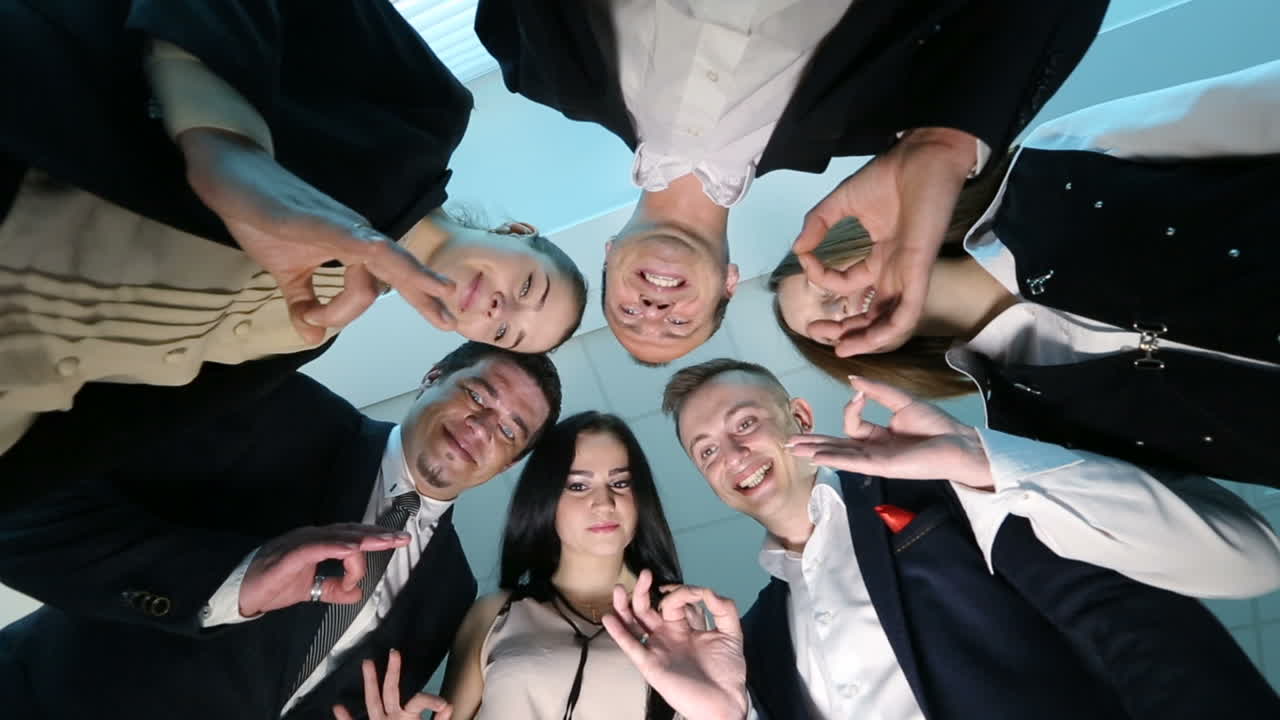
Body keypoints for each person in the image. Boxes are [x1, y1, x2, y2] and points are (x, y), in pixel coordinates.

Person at [0, 0, 588, 455]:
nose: (499, 309)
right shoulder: (427, 111)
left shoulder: (316, 327)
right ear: (516, 231)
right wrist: (225, 144)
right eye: (529, 288)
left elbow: (118, 419)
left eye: (505, 332)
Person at [476, 0, 1109, 364]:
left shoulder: (535, 63)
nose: (653, 311)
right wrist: (944, 143)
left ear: (608, 258)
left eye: (627, 314)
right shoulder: (885, 116)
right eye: (675, 326)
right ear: (730, 281)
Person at [660, 358, 1280, 720]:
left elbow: (1140, 613)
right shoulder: (756, 638)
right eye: (707, 450)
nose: (733, 455)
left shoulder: (945, 489)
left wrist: (974, 461)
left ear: (798, 417)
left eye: (744, 423)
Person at [772, 60, 1280, 487]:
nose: (836, 308)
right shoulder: (1024, 428)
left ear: (851, 241)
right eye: (821, 329)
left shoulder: (1049, 167)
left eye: (823, 282)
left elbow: (1255, 104)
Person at [0, 341, 562, 720]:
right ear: (431, 379)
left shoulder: (452, 592)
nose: (484, 426)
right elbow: (27, 499)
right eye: (478, 395)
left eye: (511, 430)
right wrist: (232, 585)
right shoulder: (282, 410)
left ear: (508, 464)